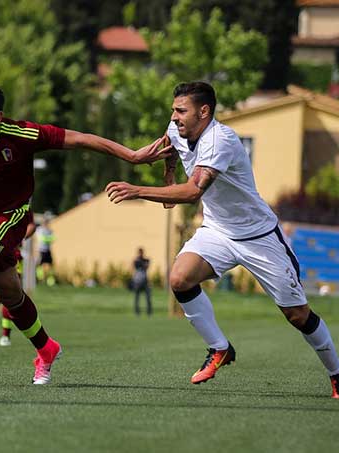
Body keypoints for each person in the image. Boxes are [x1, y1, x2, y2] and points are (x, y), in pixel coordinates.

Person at [0, 83, 171, 384]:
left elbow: (81, 139)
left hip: (11, 216)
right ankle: (46, 349)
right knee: (10, 293)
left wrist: (133, 156)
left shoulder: (22, 135)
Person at [106, 81, 339, 397]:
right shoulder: (178, 129)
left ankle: (336, 373)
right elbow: (171, 152)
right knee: (180, 278)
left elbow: (193, 192)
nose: (174, 117)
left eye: (181, 111)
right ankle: (219, 348)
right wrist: (168, 174)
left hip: (258, 236)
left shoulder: (221, 140)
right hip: (217, 230)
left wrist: (137, 190)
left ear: (204, 112)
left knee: (297, 315)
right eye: (173, 110)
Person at [0, 216, 37, 347]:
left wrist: (19, 237)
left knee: (9, 294)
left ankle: (6, 335)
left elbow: (31, 225)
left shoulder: (16, 199)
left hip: (11, 253)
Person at [131, 247, 152, 316]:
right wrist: (142, 263)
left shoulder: (145, 260)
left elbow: (147, 265)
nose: (140, 254)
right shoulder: (136, 260)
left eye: (141, 252)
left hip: (145, 282)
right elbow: (136, 265)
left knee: (148, 298)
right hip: (137, 282)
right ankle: (137, 312)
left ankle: (149, 312)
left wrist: (142, 263)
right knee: (137, 298)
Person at [36, 216, 56, 286]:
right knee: (40, 265)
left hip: (48, 250)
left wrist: (47, 239)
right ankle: (40, 279)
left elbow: (53, 238)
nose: (46, 223)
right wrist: (48, 239)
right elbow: (42, 239)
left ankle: (50, 281)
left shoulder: (49, 230)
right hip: (41, 250)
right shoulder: (39, 230)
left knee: (51, 265)